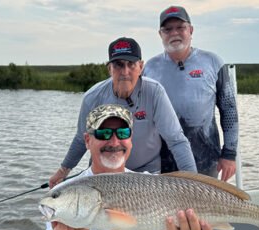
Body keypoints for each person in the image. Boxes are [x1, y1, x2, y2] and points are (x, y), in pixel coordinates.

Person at [44, 104, 213, 230]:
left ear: (130, 140)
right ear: (87, 140)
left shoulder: (151, 183)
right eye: (104, 133)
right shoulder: (65, 195)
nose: (114, 141)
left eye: (123, 133)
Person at [143, 5, 239, 230]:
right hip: (165, 157)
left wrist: (229, 152)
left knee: (210, 211)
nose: (174, 33)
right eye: (168, 29)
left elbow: (230, 110)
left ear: (190, 30)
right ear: (160, 34)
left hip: (207, 152)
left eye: (179, 27)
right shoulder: (149, 67)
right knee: (170, 215)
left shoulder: (213, 62)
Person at [49, 37, 196, 188]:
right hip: (104, 171)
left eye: (131, 65)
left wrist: (194, 184)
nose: (125, 72)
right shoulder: (92, 97)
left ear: (141, 67)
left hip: (146, 171)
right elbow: (81, 139)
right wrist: (63, 171)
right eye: (118, 65)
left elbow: (177, 140)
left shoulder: (155, 92)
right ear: (109, 69)